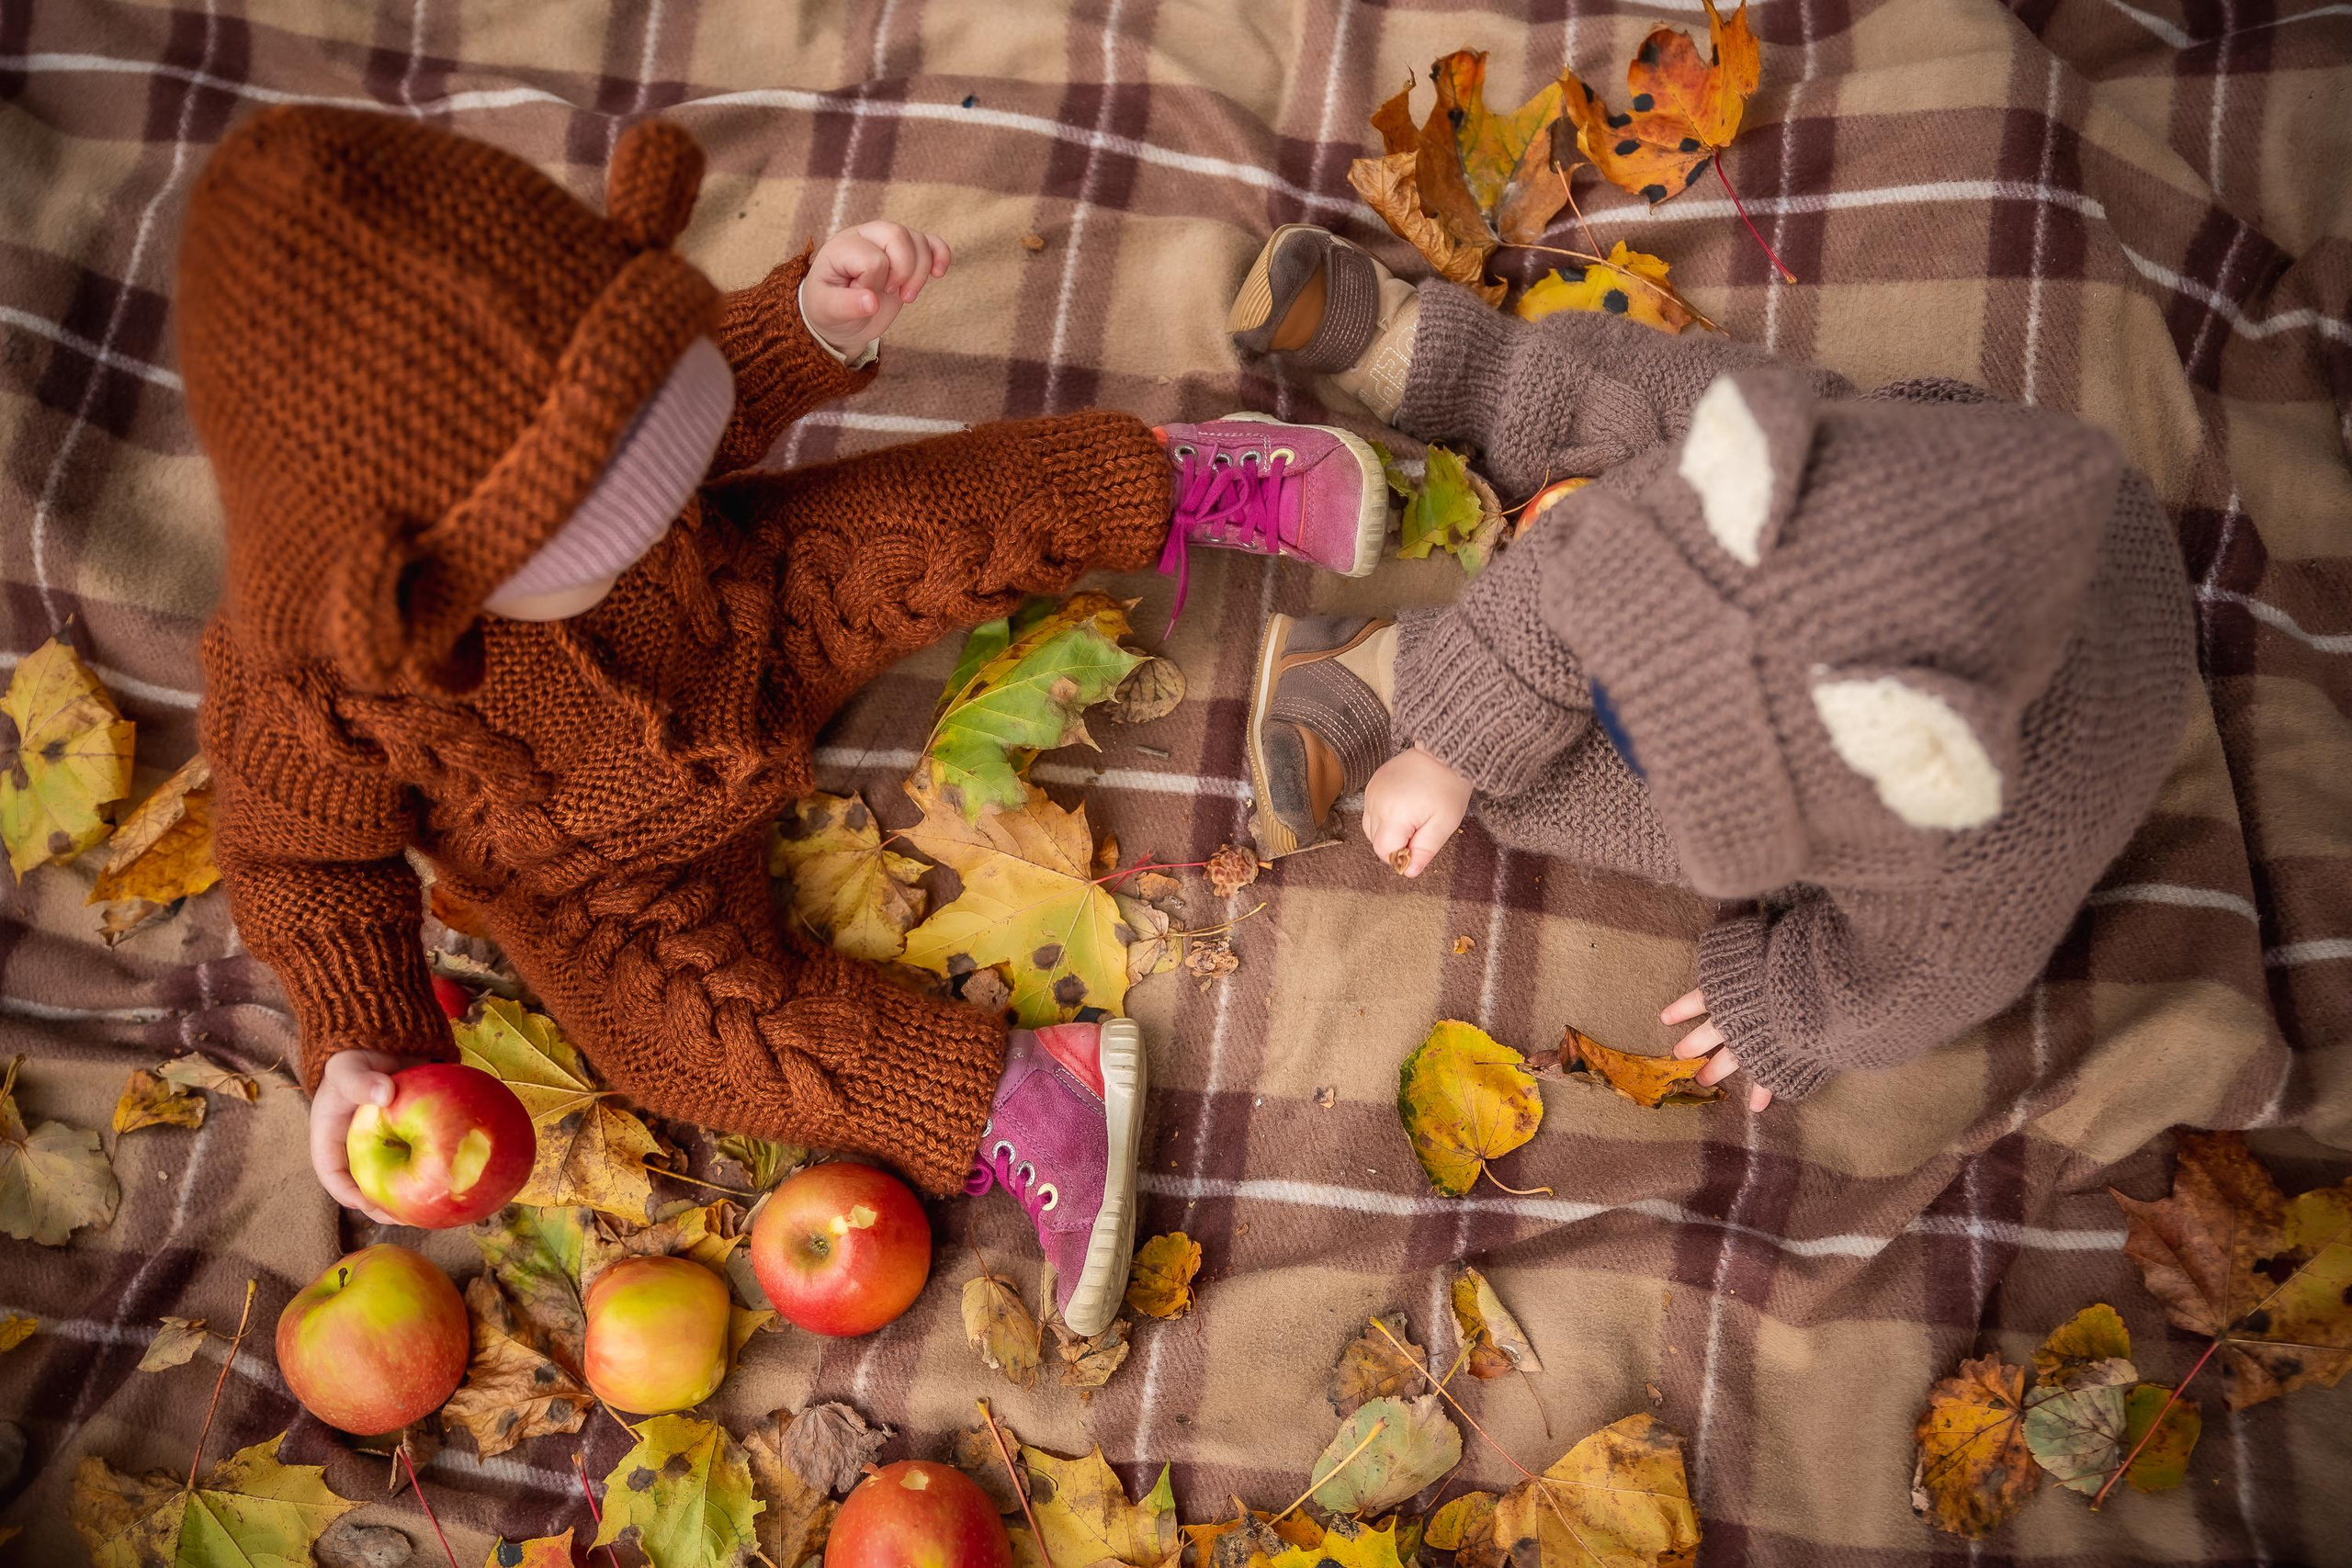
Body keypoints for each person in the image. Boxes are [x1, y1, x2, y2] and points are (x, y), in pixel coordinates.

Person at [184, 109, 1387, 1333]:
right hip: (598, 870)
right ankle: (1020, 1096)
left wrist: (812, 321)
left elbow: (700, 393)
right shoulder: (303, 682)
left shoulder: (601, 389)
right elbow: (304, 869)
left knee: (934, 516)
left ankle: (1168, 480)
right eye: (603, 515)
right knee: (672, 1039)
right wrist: (363, 1037)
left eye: (649, 426)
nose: (650, 484)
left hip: (742, 612)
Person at [1227, 225, 2196, 1111]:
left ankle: (1397, 678)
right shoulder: (1793, 483)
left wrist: (1779, 1010)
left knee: (1608, 789)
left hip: (2019, 734)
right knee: (1664, 404)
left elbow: (1877, 999)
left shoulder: (1959, 908)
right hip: (1925, 478)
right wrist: (1458, 741)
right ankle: (1458, 364)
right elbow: (1614, 545)